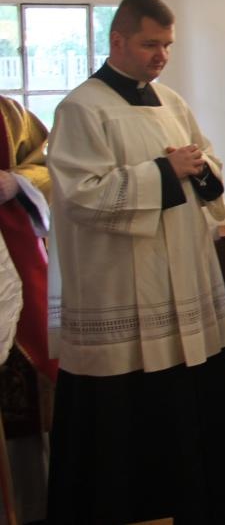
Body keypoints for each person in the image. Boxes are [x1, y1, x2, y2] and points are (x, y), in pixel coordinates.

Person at [46, 0, 225, 524]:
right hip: (121, 287)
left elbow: (205, 158)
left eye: (167, 45)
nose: (161, 55)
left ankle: (200, 507)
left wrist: (198, 168)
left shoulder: (171, 102)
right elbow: (79, 195)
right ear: (117, 40)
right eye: (149, 44)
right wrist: (166, 172)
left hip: (183, 276)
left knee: (191, 403)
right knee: (128, 418)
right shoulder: (81, 107)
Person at [0, 96, 54, 523]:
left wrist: (17, 183)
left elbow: (50, 163)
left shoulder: (9, 114)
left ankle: (30, 505)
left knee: (25, 380)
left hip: (14, 255)